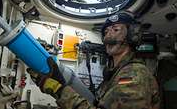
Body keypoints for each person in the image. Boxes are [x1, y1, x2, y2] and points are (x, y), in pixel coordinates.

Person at [27, 10, 160, 109]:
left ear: (132, 35)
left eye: (115, 29)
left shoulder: (134, 75)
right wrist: (60, 81)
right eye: (106, 31)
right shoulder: (115, 73)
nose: (108, 35)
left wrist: (57, 89)